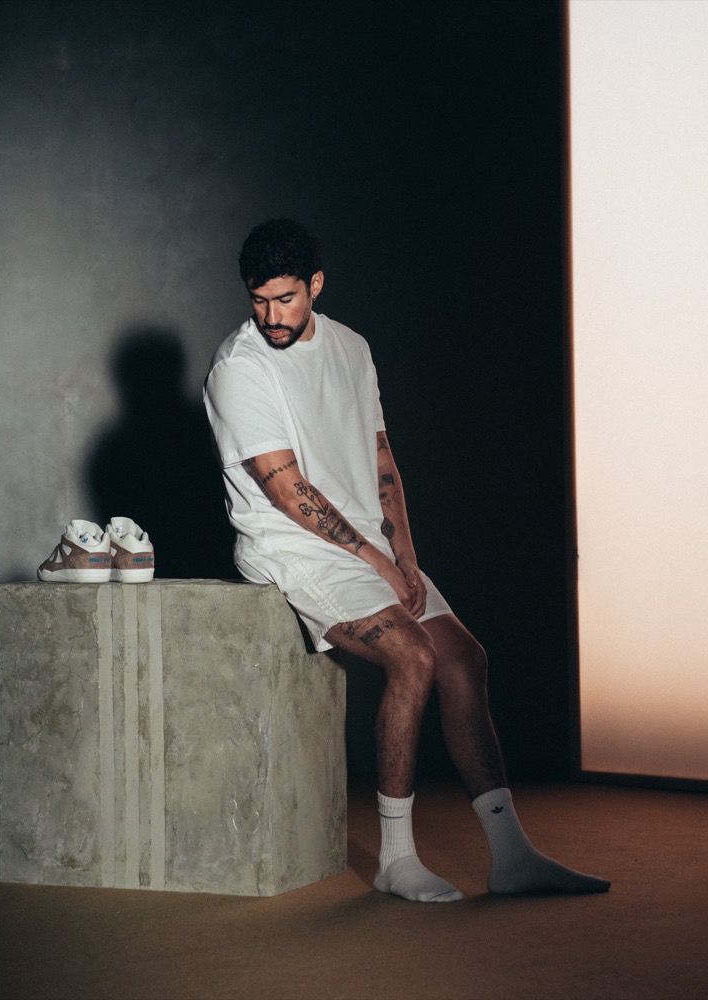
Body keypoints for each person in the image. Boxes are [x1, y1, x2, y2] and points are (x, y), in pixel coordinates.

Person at [203, 218, 609, 902]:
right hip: (291, 547)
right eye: (259, 299)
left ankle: (512, 857)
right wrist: (375, 558)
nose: (271, 316)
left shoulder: (351, 348)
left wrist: (406, 553)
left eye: (286, 299)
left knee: (464, 660)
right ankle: (396, 860)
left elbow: (380, 455)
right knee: (413, 658)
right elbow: (285, 488)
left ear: (316, 285)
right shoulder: (239, 368)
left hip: (366, 542)